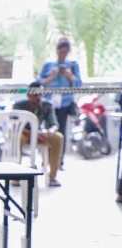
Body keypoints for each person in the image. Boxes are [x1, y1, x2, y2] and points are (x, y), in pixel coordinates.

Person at [39, 36, 82, 168]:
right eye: (60, 51)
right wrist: (51, 76)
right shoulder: (48, 64)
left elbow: (79, 83)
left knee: (61, 131)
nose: (62, 54)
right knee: (47, 130)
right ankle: (46, 159)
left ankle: (58, 161)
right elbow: (39, 82)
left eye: (65, 52)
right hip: (49, 103)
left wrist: (70, 76)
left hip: (64, 103)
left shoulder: (73, 65)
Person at [14, 81, 65, 187]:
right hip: (24, 134)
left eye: (40, 94)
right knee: (18, 139)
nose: (38, 97)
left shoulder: (47, 105)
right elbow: (16, 125)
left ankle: (52, 176)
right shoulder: (19, 105)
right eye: (35, 94)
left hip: (40, 134)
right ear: (28, 94)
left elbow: (54, 124)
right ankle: (15, 176)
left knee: (58, 138)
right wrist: (32, 134)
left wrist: (50, 132)